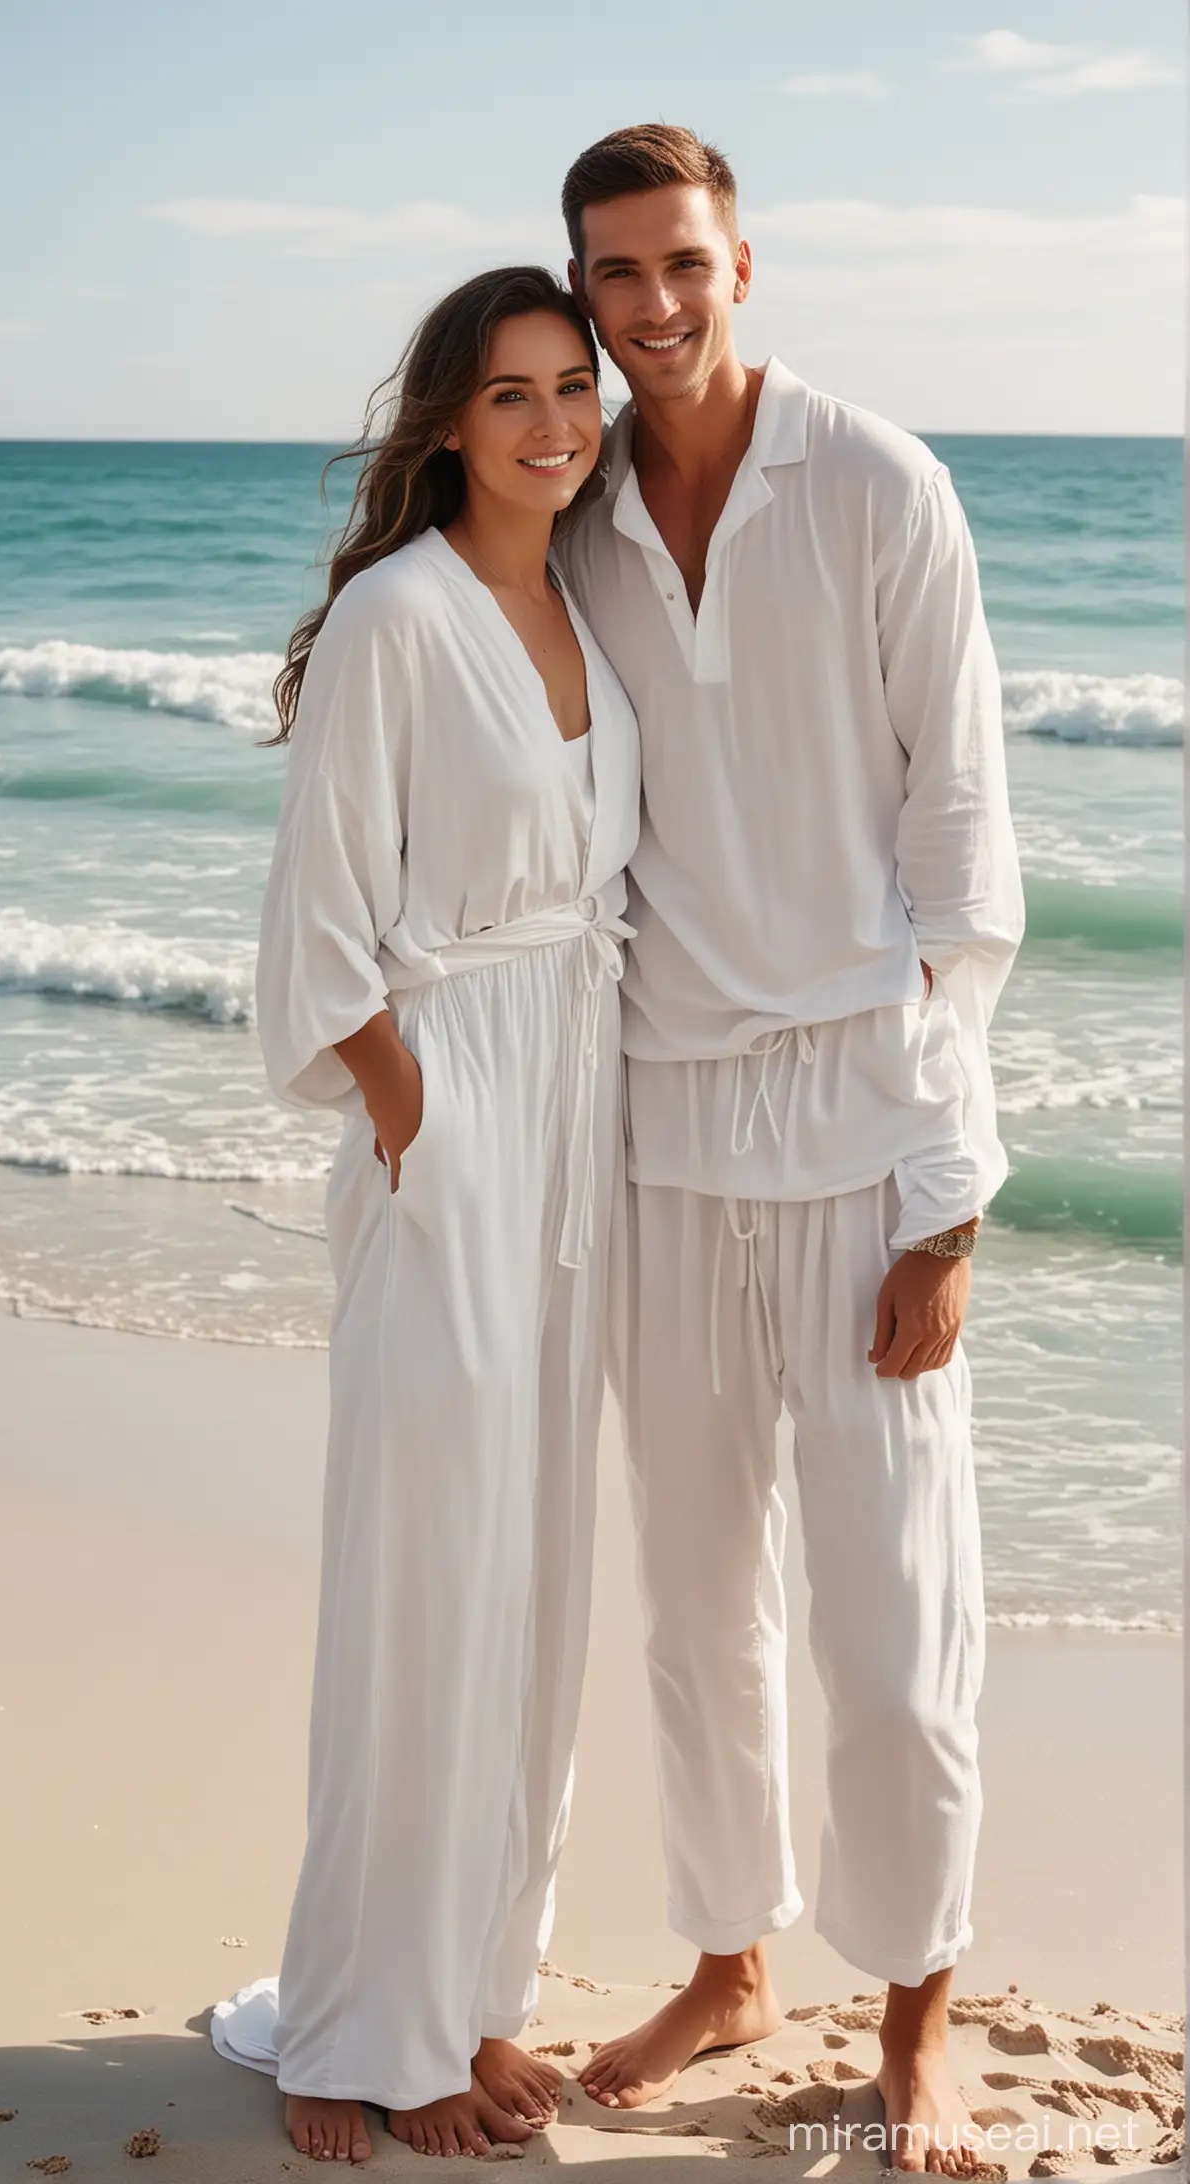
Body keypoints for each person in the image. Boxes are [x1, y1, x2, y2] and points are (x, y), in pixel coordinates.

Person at [553, 125, 1024, 2176]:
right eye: (612, 277)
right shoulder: (572, 509)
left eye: (681, 262)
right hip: (659, 1144)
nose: (650, 307)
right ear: (580, 294)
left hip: (858, 1136)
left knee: (894, 1626)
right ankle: (730, 1955)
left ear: (749, 261)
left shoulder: (882, 485)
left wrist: (947, 1190)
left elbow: (964, 855)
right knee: (688, 1609)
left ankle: (919, 1999)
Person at [210, 266, 641, 2164]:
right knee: (419, 1574)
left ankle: (467, 1996)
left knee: (529, 1576)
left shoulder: (579, 601)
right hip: (456, 1114)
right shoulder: (399, 618)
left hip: (581, 1126)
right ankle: (347, 2018)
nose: (556, 425)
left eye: (577, 390)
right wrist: (415, 1121)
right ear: (447, 423)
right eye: (513, 395)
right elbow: (314, 941)